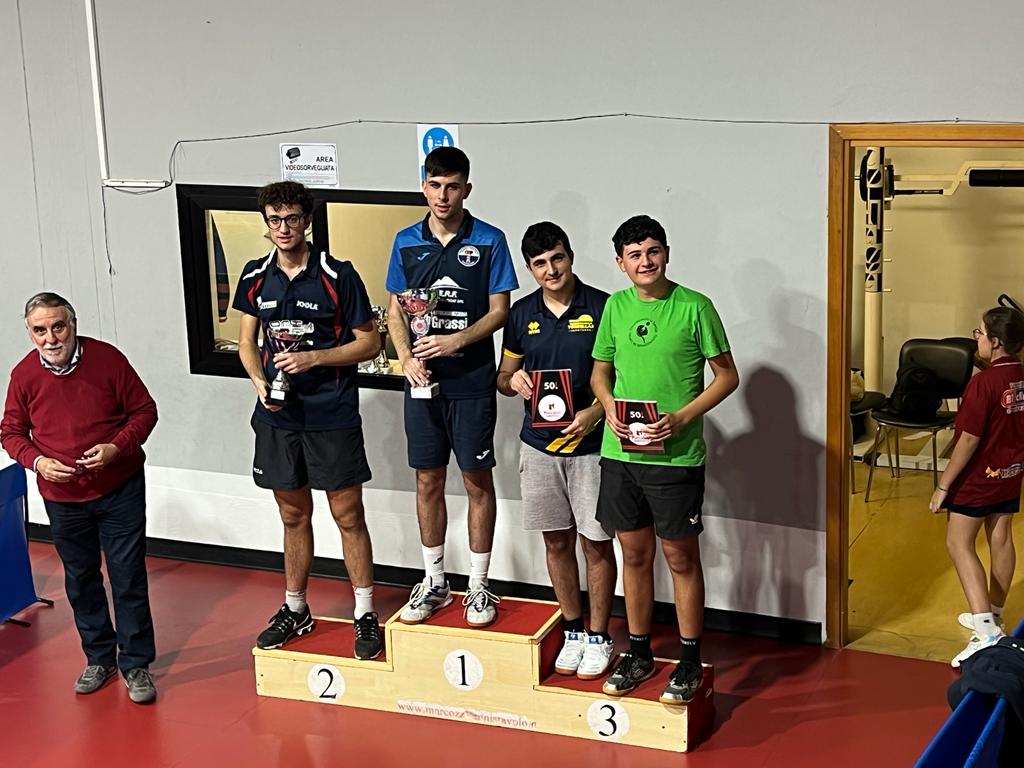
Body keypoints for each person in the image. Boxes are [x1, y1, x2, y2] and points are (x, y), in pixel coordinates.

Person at [590, 215, 739, 704]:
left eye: (653, 251)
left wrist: (681, 418)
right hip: (620, 454)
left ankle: (690, 659)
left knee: (680, 557)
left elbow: (727, 376)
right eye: (634, 255)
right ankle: (639, 653)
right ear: (621, 263)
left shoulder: (696, 306)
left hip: (676, 458)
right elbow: (599, 374)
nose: (645, 261)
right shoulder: (615, 307)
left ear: (667, 253)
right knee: (633, 555)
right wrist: (609, 407)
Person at [233, 181, 383, 659]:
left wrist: (315, 358)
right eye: (275, 220)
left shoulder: (338, 275)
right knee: (293, 515)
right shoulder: (255, 275)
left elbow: (371, 343)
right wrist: (259, 382)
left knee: (348, 514)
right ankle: (296, 608)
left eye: (292, 219)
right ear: (266, 224)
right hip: (278, 418)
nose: (283, 228)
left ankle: (365, 612)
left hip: (331, 415)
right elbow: (246, 342)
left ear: (307, 222)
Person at [1, 292, 159, 703]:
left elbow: (145, 411)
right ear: (30, 333)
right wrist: (37, 462)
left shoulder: (108, 360)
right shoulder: (24, 375)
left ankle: (136, 664)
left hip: (120, 488)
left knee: (127, 576)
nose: (51, 338)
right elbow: (11, 432)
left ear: (73, 325)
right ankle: (100, 658)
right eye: (40, 330)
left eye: (58, 327)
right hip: (62, 497)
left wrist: (116, 448)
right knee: (81, 578)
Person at [386, 147, 518, 626]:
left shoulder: (490, 240)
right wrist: (406, 358)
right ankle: (435, 582)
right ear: (424, 186)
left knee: (476, 480)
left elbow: (500, 311)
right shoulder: (405, 241)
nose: (443, 195)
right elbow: (396, 310)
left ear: (467, 189)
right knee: (427, 480)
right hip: (422, 383)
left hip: (472, 382)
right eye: (435, 185)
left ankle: (479, 586)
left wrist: (455, 341)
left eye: (453, 186)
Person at [497, 222, 617, 679]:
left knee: (596, 542)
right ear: (530, 268)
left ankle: (599, 635)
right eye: (540, 264)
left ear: (570, 257)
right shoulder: (521, 313)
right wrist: (514, 380)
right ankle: (572, 629)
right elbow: (502, 377)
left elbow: (622, 377)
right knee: (556, 540)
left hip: (592, 446)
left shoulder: (603, 307)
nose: (551, 270)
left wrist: (596, 413)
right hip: (539, 447)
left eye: (557, 259)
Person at [929, 307, 1024, 668]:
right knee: (1001, 537)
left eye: (979, 333)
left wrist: (943, 485)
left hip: (979, 477)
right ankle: (993, 615)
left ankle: (985, 633)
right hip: (1011, 472)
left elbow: (968, 440)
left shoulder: (983, 383)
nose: (977, 339)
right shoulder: (1019, 375)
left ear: (995, 341)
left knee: (958, 543)